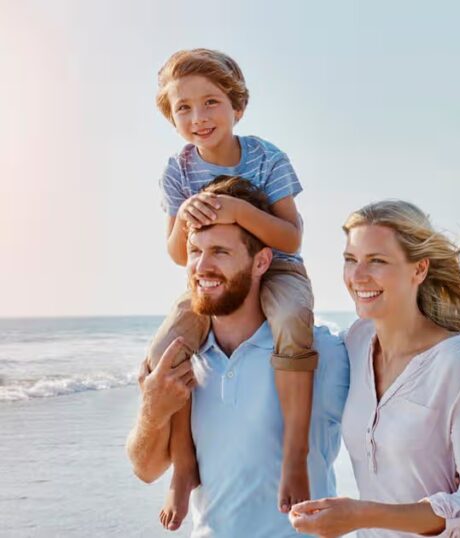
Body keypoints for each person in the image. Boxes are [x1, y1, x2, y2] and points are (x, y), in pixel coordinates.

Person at [147, 48, 318, 527]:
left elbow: (291, 236)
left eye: (211, 102)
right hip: (211, 278)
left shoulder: (267, 157)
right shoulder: (177, 171)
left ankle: (295, 455)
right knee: (167, 351)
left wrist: (241, 213)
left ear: (236, 107)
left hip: (278, 268)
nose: (198, 117)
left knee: (291, 325)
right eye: (183, 107)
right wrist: (185, 216)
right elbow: (179, 254)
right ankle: (184, 468)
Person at [126, 177, 349, 536]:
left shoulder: (323, 351)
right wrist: (153, 407)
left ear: (261, 262)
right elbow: (145, 469)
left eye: (220, 252)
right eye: (196, 250)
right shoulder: (183, 356)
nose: (201, 266)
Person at [289, 200, 460, 537]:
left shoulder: (459, 365)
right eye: (351, 260)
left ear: (419, 269)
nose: (358, 276)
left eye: (377, 261)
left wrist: (360, 514)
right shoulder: (356, 342)